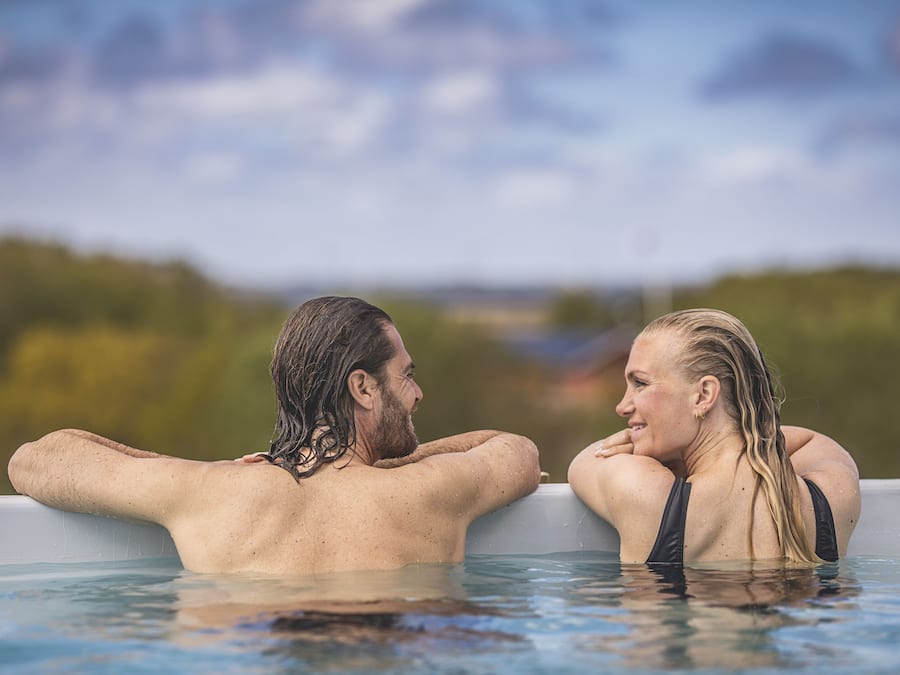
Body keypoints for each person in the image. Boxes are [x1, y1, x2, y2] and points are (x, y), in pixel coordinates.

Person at [8, 296, 541, 575]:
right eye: (406, 375)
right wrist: (408, 464)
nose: (417, 394)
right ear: (362, 387)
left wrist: (195, 468)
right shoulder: (432, 491)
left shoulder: (210, 492)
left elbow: (35, 460)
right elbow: (517, 451)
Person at [568, 308, 860, 566]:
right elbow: (815, 442)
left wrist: (639, 444)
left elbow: (585, 461)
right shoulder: (832, 500)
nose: (623, 406)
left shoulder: (647, 495)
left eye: (640, 383)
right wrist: (746, 434)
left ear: (704, 394)